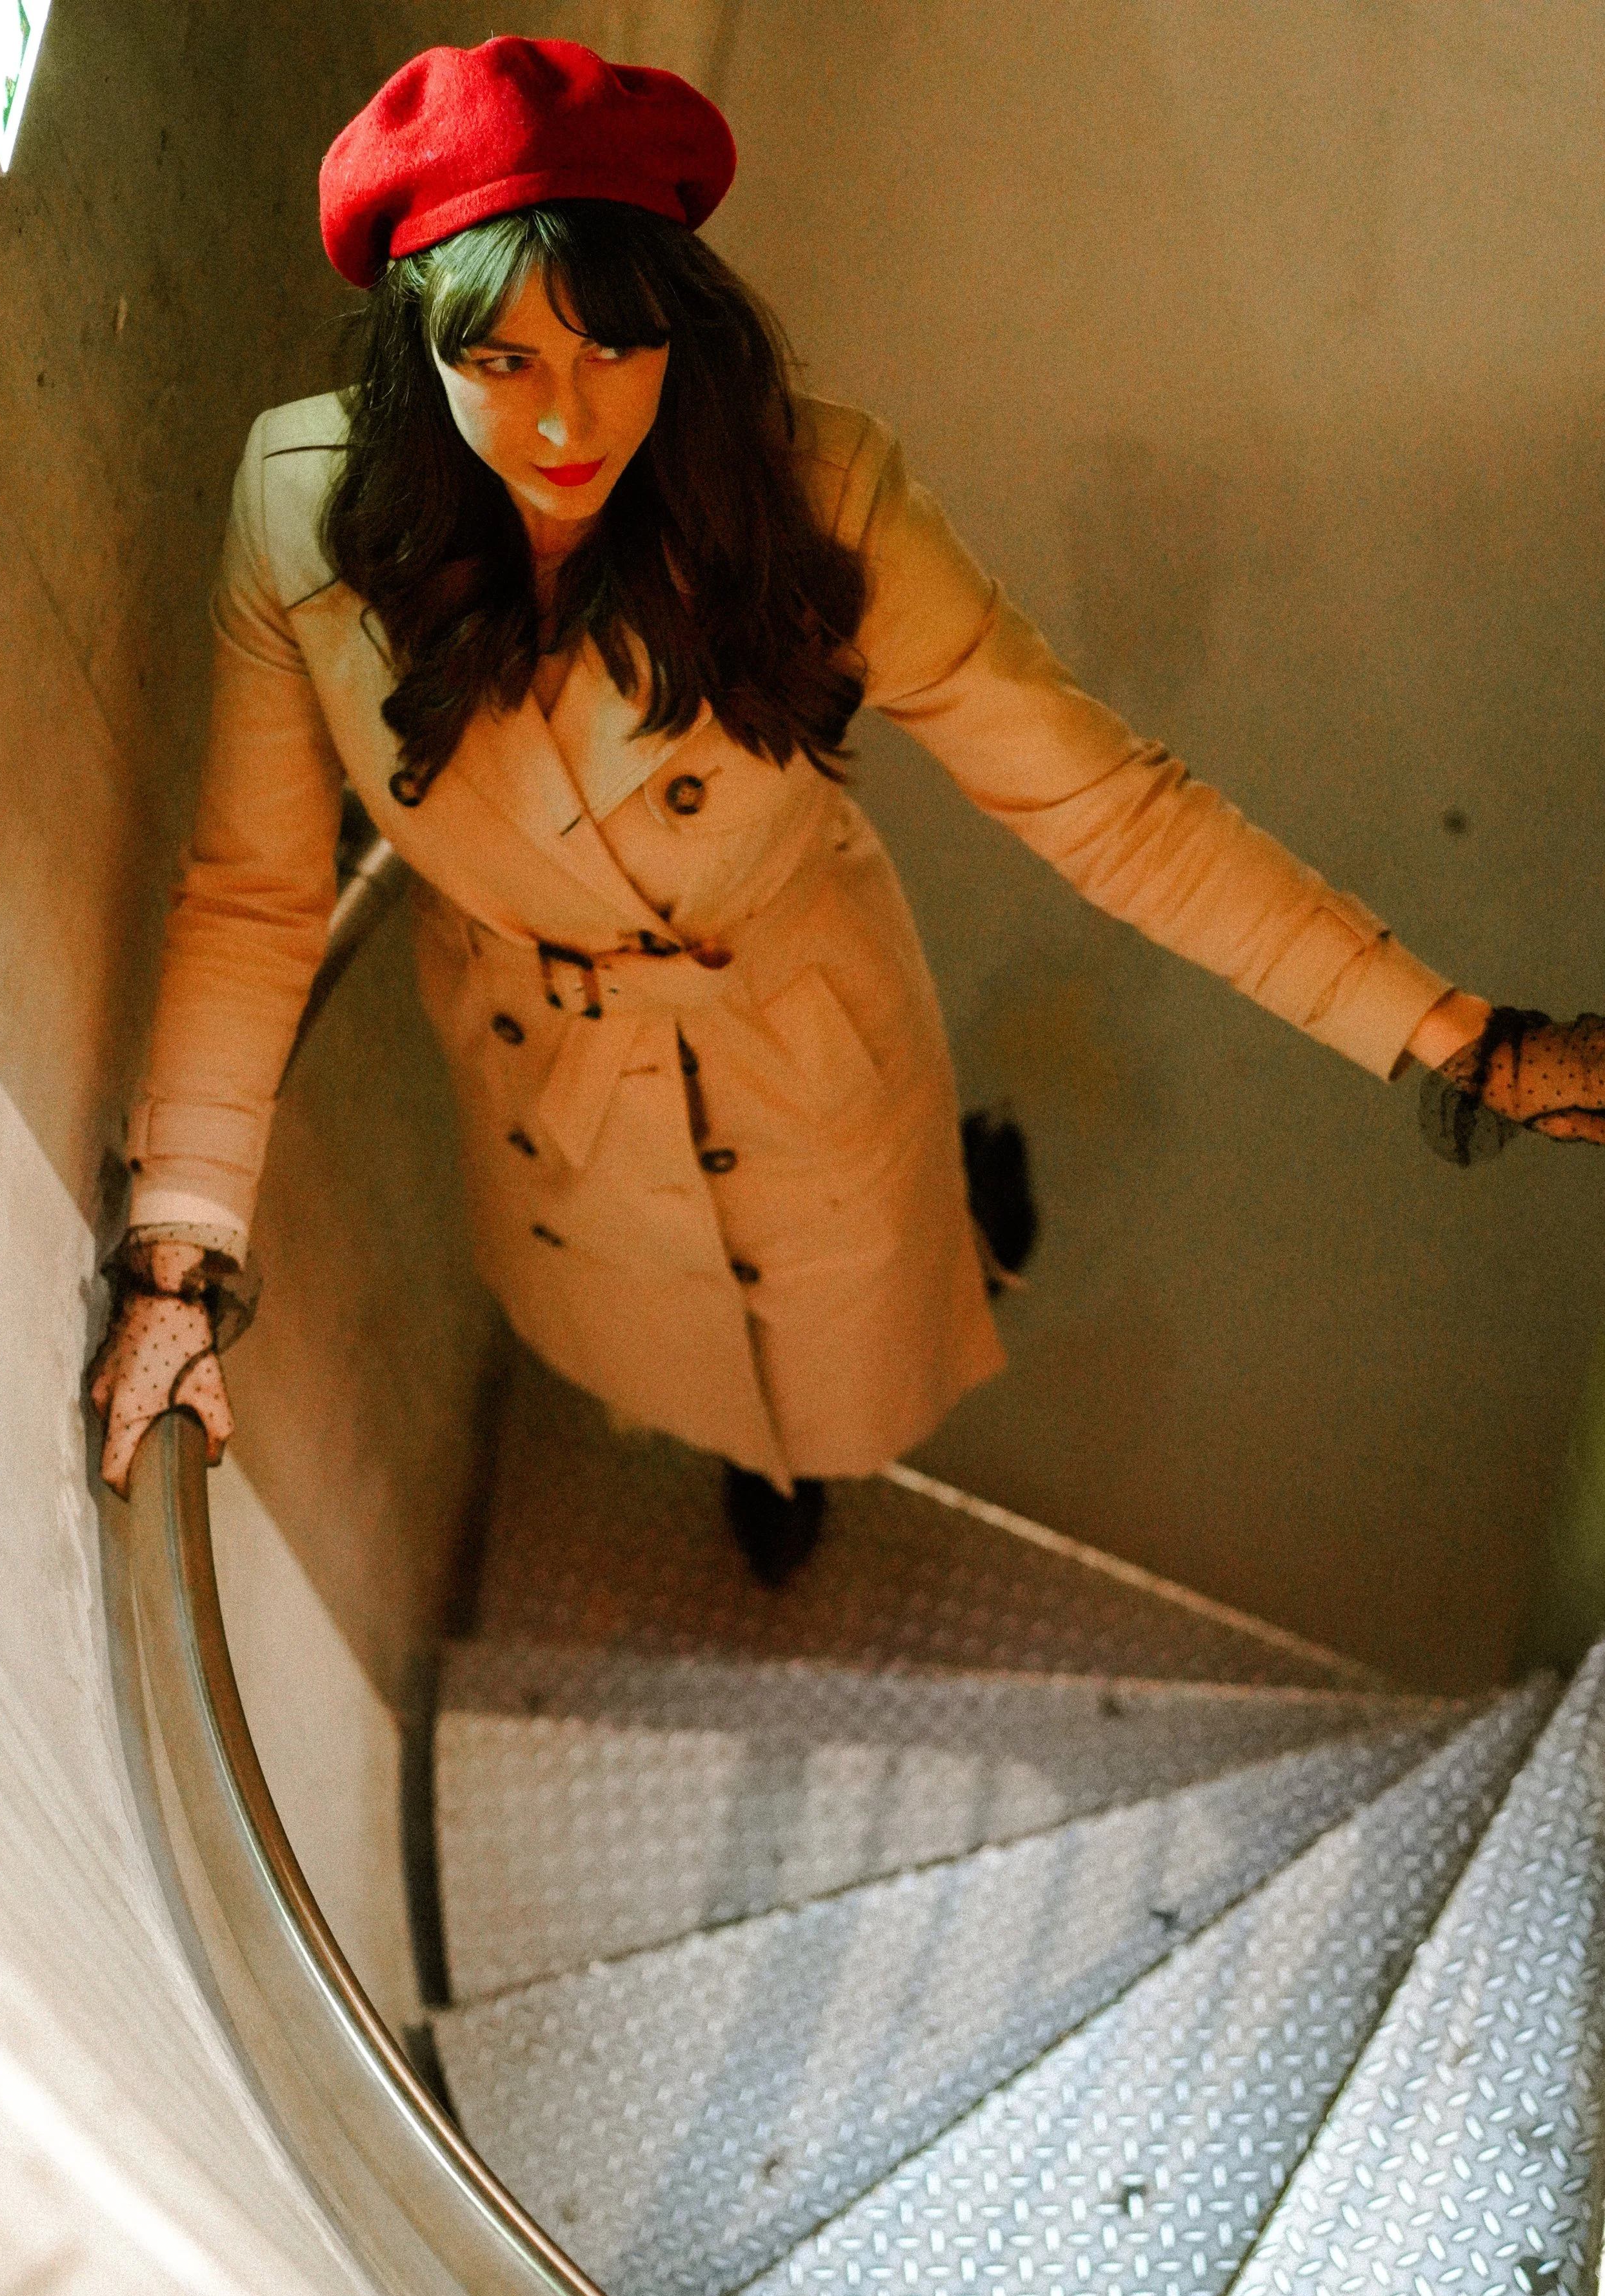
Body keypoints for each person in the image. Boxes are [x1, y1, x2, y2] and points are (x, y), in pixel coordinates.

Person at [89, 37, 1605, 1581]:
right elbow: (255, 897)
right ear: (419, 349)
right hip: (540, 1064)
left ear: (680, 329)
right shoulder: (301, 512)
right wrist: (178, 1249)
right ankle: (757, 1446)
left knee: (852, 1329)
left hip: (790, 1011)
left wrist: (1453, 1038)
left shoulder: (809, 495)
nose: (566, 423)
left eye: (615, 347)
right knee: (655, 1337)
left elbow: (1111, 810)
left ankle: (866, 1360)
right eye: (504, 362)